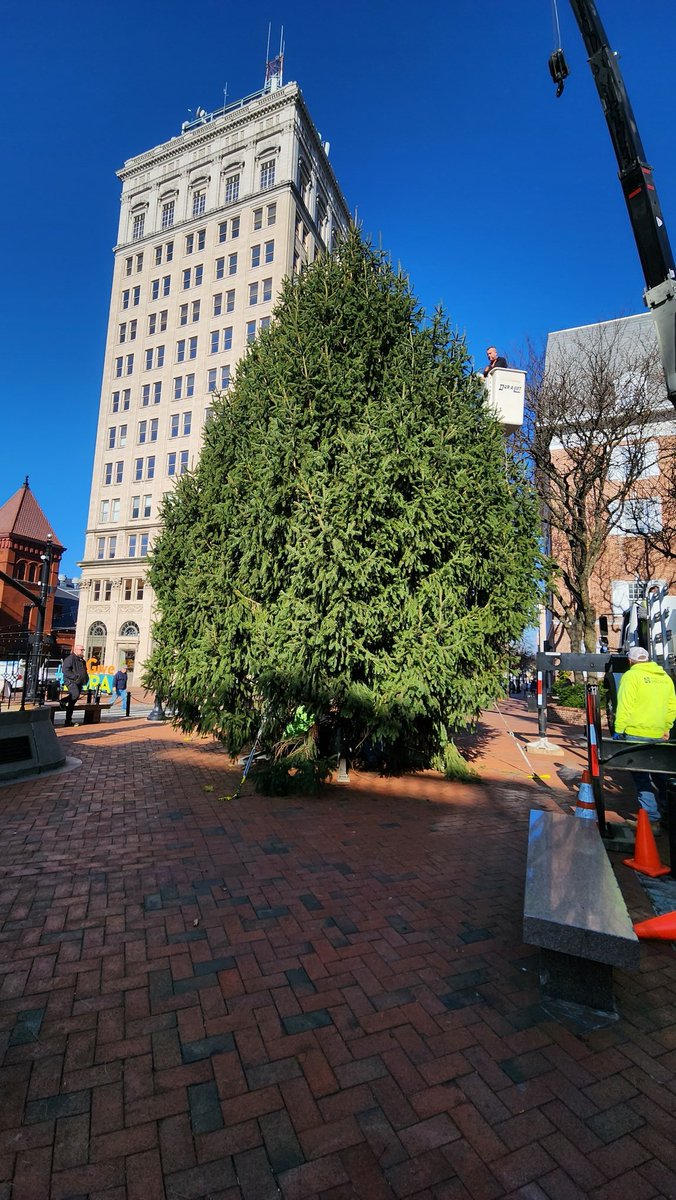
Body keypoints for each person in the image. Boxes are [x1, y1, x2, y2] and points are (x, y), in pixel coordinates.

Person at [614, 645, 676, 828]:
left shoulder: (631, 676)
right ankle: (669, 813)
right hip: (658, 734)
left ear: (630, 661)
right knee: (661, 776)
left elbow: (625, 705)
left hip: (636, 733)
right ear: (648, 659)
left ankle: (652, 818)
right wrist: (666, 727)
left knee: (641, 778)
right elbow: (672, 706)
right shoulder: (665, 678)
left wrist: (619, 729)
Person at [61, 645, 89, 726]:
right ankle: (63, 701)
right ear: (76, 650)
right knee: (75, 694)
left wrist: (86, 678)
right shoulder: (70, 659)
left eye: (83, 650)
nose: (82, 651)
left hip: (79, 682)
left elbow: (84, 670)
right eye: (81, 650)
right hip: (71, 681)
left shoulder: (81, 660)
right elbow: (65, 670)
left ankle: (68, 721)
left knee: (73, 701)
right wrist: (75, 676)